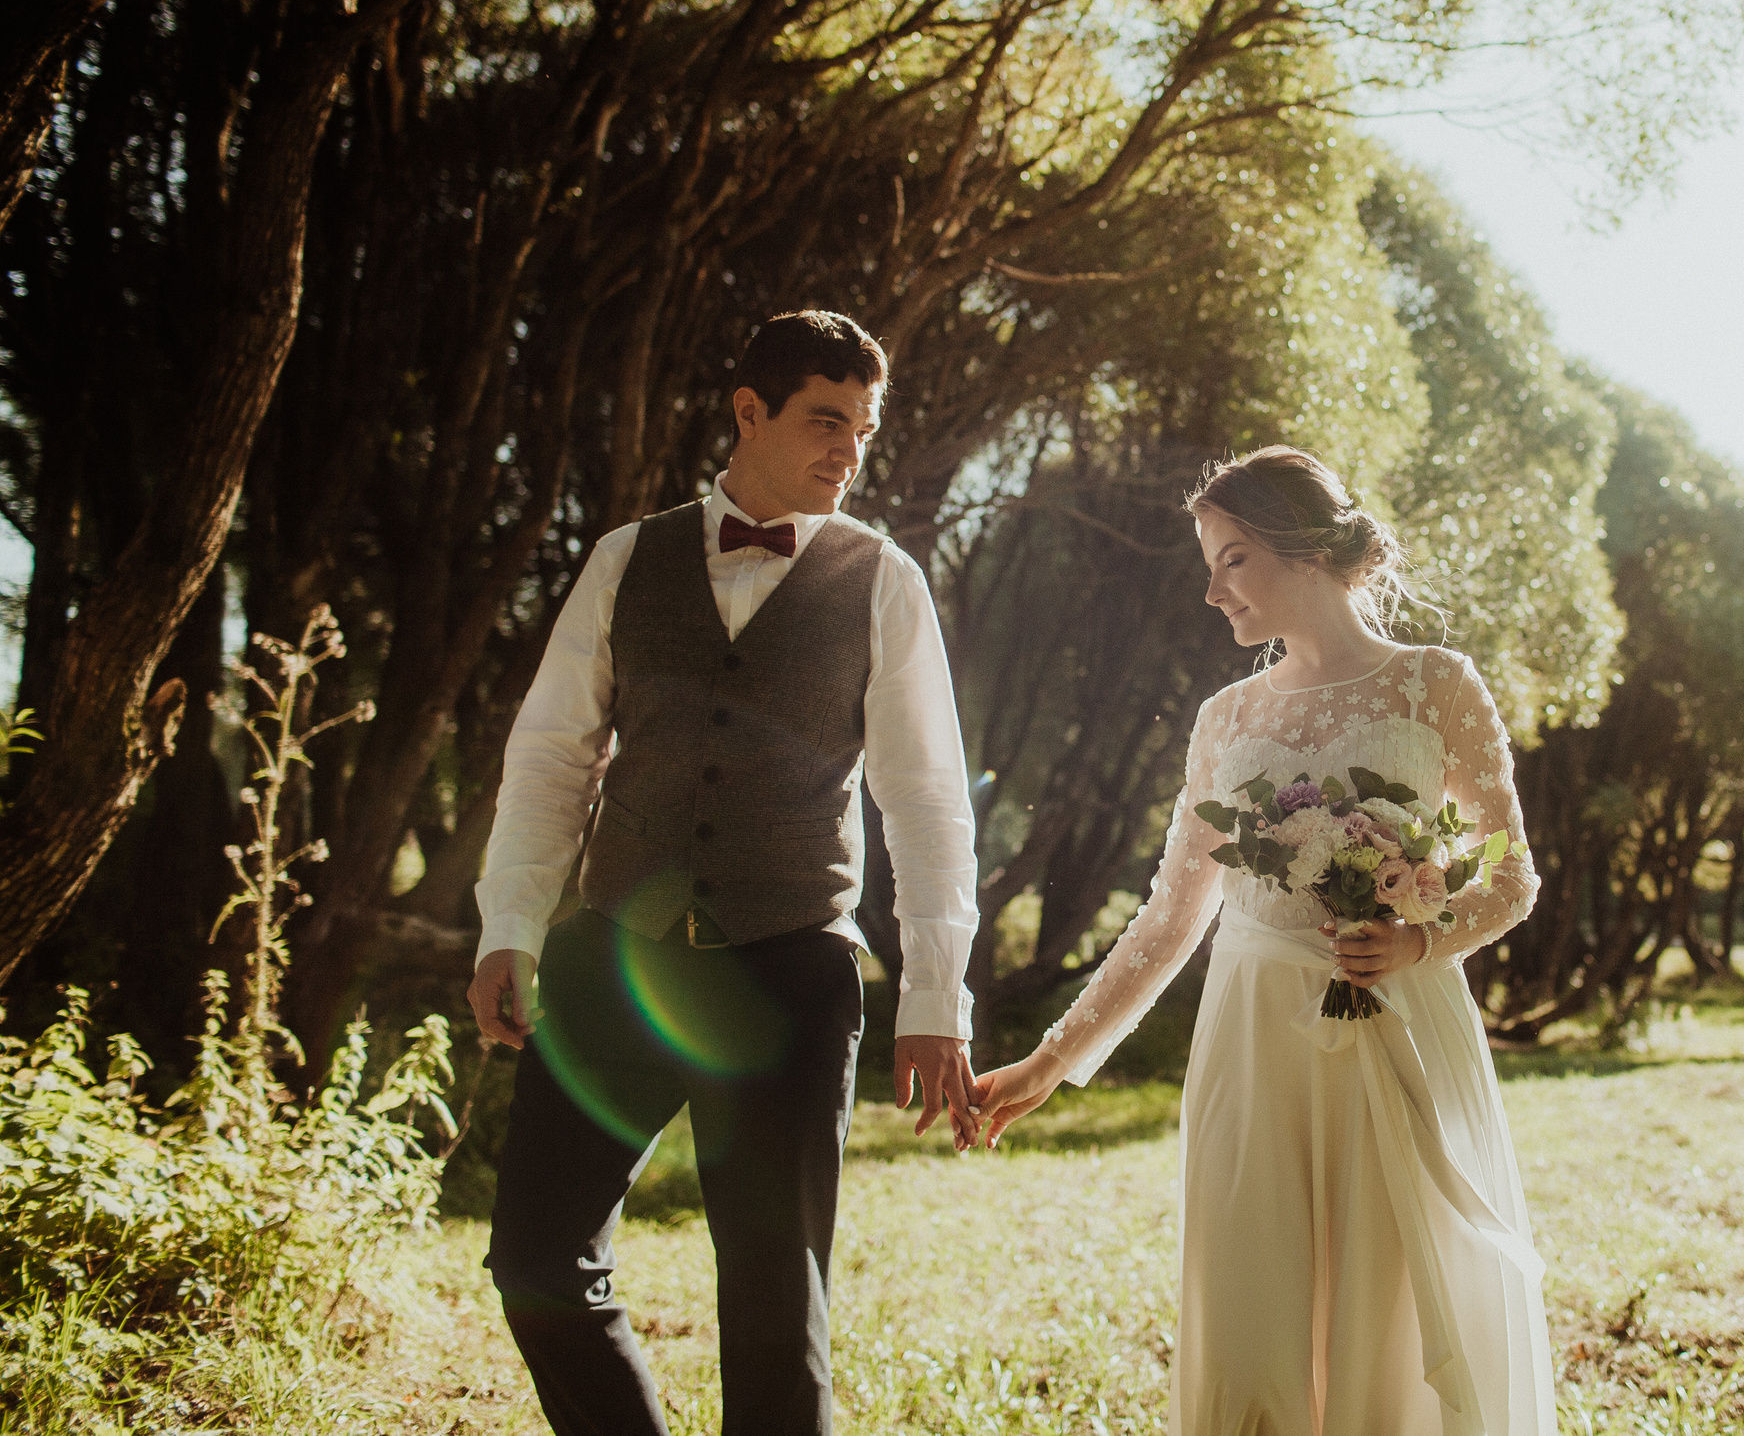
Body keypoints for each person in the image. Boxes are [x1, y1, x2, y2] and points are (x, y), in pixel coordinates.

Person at [465, 309, 982, 1436]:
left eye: (865, 426)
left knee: (770, 1308)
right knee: (534, 1262)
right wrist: (509, 923)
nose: (850, 448)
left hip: (790, 970)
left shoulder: (882, 580)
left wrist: (936, 996)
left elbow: (927, 799)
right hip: (613, 960)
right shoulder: (623, 558)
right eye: (825, 419)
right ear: (749, 412)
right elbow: (553, 756)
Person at [973, 445, 1556, 1436]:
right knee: (1255, 1310)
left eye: (1231, 558)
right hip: (1251, 1046)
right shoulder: (1225, 717)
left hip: (1395, 1031)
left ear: (1304, 553)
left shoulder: (1435, 686)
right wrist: (1052, 1058)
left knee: (1394, 1310)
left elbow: (1508, 875)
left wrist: (1420, 942)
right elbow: (1169, 919)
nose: (1210, 590)